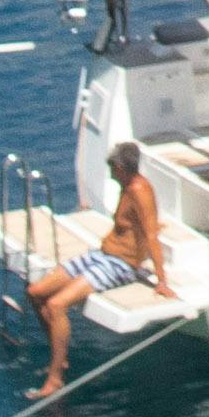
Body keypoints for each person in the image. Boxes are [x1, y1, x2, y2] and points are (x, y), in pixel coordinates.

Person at [26, 142, 168, 398]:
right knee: (35, 292)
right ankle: (60, 357)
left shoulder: (140, 191)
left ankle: (55, 378)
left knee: (56, 305)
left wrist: (162, 281)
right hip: (101, 255)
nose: (109, 171)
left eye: (111, 166)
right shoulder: (126, 186)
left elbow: (151, 235)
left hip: (119, 265)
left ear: (121, 168)